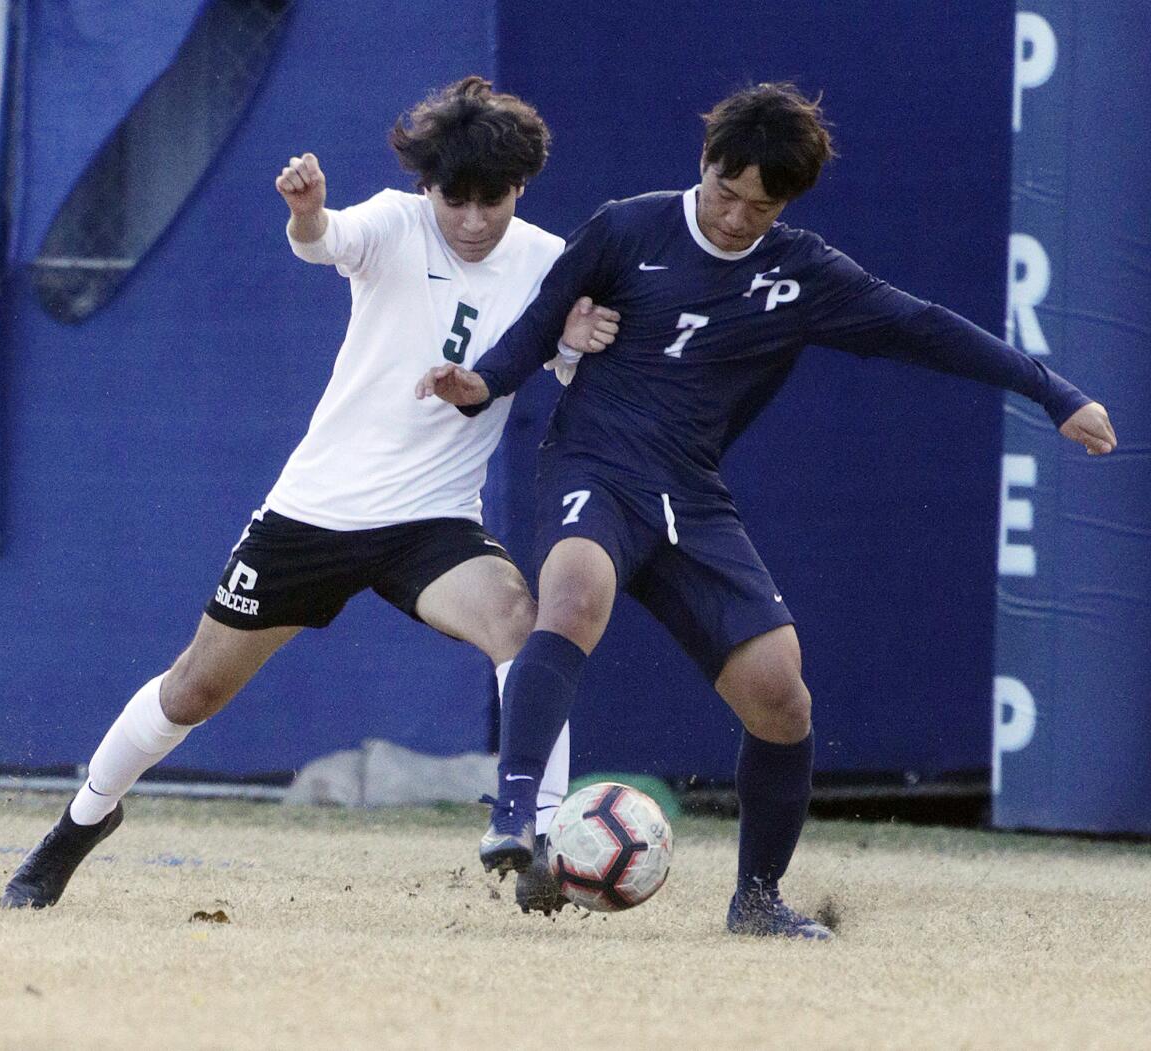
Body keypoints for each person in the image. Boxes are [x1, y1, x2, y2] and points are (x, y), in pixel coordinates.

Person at [417, 81, 1117, 939]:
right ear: (703, 163)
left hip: (692, 495)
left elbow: (927, 328)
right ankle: (516, 816)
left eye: (762, 204)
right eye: (726, 191)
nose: (739, 216)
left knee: (781, 696)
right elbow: (536, 326)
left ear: (786, 203)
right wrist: (482, 380)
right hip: (596, 465)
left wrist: (1055, 393)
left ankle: (756, 901)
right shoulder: (627, 226)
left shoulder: (804, 273)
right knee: (571, 596)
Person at [1, 76, 619, 916]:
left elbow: (573, 364)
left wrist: (576, 344)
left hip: (432, 523)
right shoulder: (395, 226)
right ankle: (76, 827)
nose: (473, 221)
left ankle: (536, 835)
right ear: (424, 186)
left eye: (494, 200)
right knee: (192, 691)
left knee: (521, 619)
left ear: (522, 188)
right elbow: (327, 239)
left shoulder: (550, 264)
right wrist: (307, 211)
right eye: (455, 199)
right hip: (313, 514)